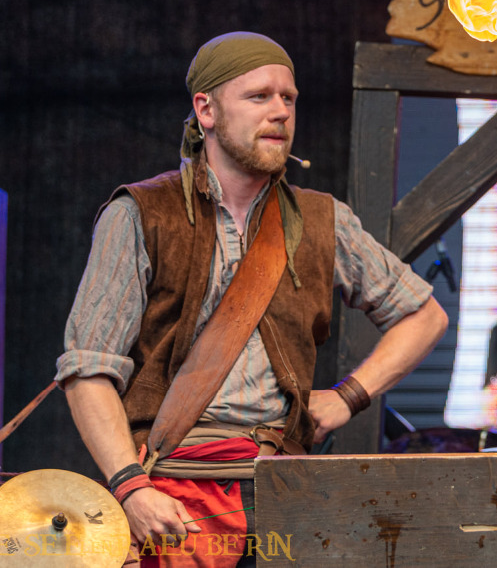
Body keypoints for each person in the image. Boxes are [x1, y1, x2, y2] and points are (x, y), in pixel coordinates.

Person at [56, 32, 448, 567]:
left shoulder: (322, 220)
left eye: (288, 98)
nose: (280, 111)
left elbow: (424, 316)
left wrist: (349, 396)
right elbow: (88, 369)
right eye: (259, 96)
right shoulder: (140, 214)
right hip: (173, 498)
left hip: (287, 496)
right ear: (207, 110)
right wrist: (131, 487)